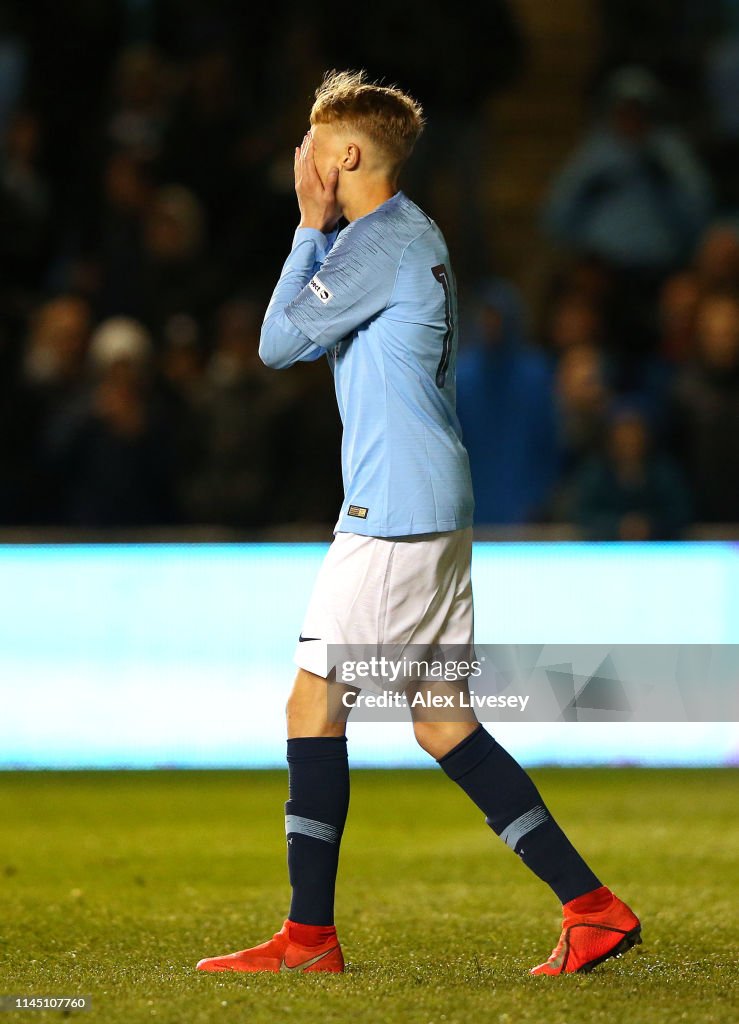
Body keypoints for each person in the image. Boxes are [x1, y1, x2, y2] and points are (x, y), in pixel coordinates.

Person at [196, 70, 641, 978]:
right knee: (441, 721)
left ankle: (309, 939)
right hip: (432, 504)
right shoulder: (411, 234)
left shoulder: (368, 243)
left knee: (312, 703)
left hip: (392, 514)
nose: (302, 161)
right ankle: (592, 908)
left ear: (346, 155)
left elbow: (278, 341)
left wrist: (304, 226)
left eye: (312, 145)